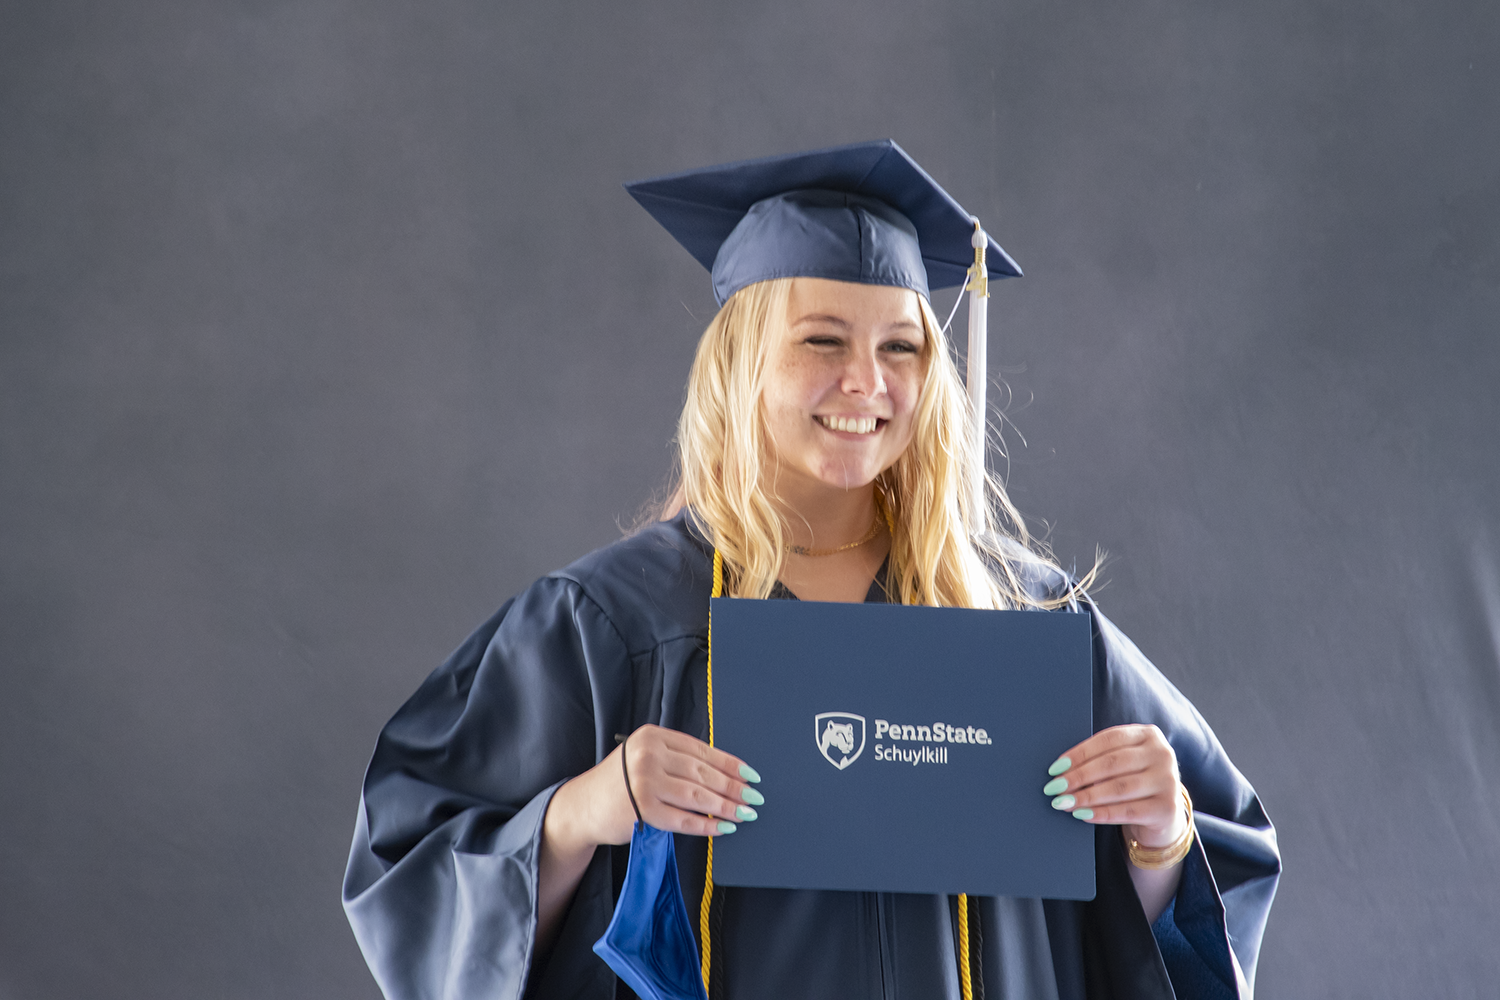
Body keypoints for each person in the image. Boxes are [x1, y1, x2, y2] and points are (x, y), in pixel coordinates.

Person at [342, 141, 1280, 1000]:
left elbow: (1210, 887)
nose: (867, 383)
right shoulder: (614, 624)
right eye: (822, 341)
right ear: (742, 363)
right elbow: (413, 882)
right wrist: (584, 812)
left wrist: (1160, 845)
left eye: (901, 347)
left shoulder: (1022, 622)